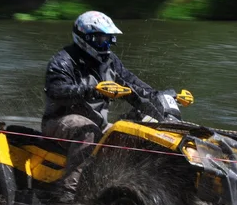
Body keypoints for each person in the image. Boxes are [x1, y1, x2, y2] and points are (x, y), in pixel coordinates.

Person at [41, 10, 159, 194]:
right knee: (88, 132)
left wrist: (165, 97)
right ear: (84, 38)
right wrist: (92, 91)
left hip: (97, 121)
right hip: (60, 119)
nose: (106, 44)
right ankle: (67, 194)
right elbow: (57, 92)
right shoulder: (63, 60)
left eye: (109, 38)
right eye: (101, 39)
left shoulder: (110, 61)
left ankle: (125, 189)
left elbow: (133, 84)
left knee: (133, 133)